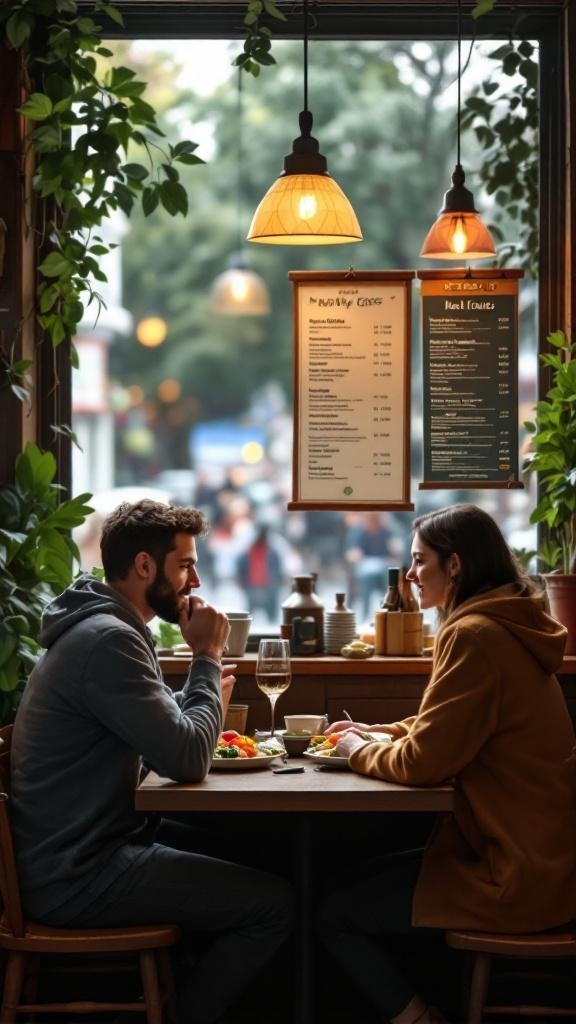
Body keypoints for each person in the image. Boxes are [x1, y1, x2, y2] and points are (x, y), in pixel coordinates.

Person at [11, 499, 293, 1024]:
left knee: (264, 848)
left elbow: (175, 739)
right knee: (273, 905)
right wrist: (206, 658)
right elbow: (187, 758)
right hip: (79, 873)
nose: (197, 580)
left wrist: (201, 694)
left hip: (86, 848)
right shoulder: (109, 641)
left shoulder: (109, 628)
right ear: (144, 566)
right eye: (186, 565)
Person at [318, 503, 576, 1024]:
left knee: (331, 911)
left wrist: (354, 751)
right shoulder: (504, 623)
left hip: (514, 874)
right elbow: (448, 725)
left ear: (454, 565)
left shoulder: (474, 635)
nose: (411, 575)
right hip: (545, 859)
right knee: (346, 878)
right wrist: (375, 732)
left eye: (419, 561)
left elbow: (423, 763)